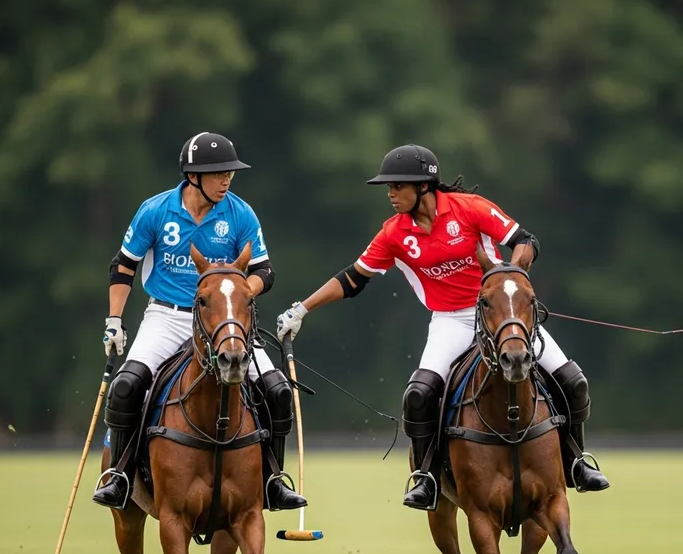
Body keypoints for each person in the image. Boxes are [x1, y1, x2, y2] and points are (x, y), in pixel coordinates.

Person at [276, 144, 609, 511]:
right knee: (419, 395)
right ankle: (428, 476)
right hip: (450, 321)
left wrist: (509, 276)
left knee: (573, 381)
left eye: (397, 186)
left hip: (500, 315)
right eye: (388, 188)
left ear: (423, 186)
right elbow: (353, 279)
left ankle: (576, 460)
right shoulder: (393, 233)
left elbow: (525, 241)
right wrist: (302, 308)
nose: (390, 194)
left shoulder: (470, 209)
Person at [93, 132, 306, 512]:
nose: (227, 180)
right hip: (166, 316)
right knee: (126, 386)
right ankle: (121, 475)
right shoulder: (155, 211)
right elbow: (123, 266)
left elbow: (264, 271)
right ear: (193, 176)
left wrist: (238, 295)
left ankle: (273, 479)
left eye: (230, 173)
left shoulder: (240, 213)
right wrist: (114, 320)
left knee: (276, 391)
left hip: (224, 322)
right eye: (218, 173)